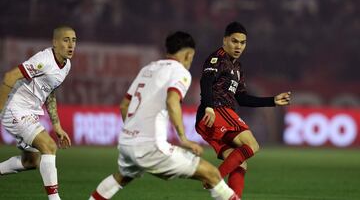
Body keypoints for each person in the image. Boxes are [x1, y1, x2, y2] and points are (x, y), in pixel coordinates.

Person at [89, 31, 240, 200]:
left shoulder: (148, 68)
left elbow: (124, 105)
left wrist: (134, 133)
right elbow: (172, 101)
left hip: (127, 143)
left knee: (122, 177)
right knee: (211, 174)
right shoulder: (180, 72)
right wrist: (183, 138)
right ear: (189, 54)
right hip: (151, 147)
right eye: (192, 57)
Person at [195, 21, 291, 198]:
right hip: (217, 110)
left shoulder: (237, 67)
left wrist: (273, 101)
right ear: (225, 40)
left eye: (242, 42)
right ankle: (213, 178)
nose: (238, 46)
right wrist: (209, 106)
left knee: (240, 163)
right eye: (234, 41)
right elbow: (206, 81)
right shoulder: (218, 58)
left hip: (210, 121)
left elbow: (242, 98)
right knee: (252, 144)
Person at [0, 26, 76, 200]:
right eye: (66, 40)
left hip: (29, 112)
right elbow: (9, 77)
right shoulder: (43, 59)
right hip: (15, 109)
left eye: (74, 40)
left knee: (31, 162)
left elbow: (50, 90)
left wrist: (57, 125)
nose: (71, 45)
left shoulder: (66, 65)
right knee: (49, 146)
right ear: (55, 43)